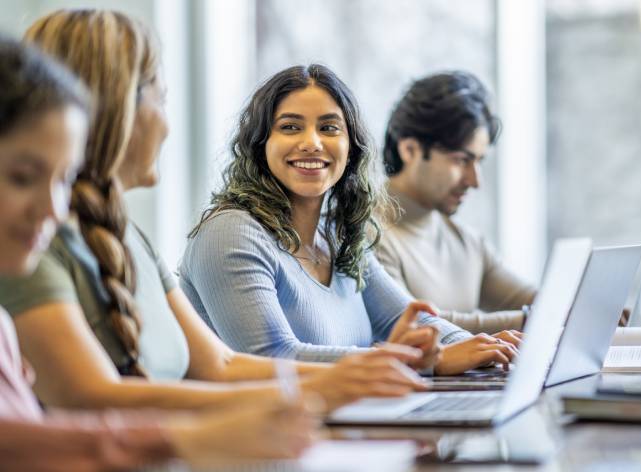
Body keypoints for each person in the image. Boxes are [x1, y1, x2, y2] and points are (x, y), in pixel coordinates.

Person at [0, 9, 428, 413]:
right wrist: (321, 387)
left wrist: (357, 373)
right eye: (162, 100)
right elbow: (95, 400)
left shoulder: (125, 235)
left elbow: (220, 366)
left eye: (329, 128)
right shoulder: (32, 238)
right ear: (115, 111)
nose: (168, 126)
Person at [0, 35, 315, 470]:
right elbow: (63, 416)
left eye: (63, 180)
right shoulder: (227, 231)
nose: (53, 209)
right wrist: (185, 438)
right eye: (20, 177)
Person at [180, 64, 519, 375]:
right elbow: (272, 356)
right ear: (260, 144)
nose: (311, 142)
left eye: (329, 128)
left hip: (339, 429)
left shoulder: (339, 236)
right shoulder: (230, 233)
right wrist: (415, 360)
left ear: (350, 147)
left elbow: (406, 318)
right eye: (290, 127)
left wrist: (483, 346)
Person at [378, 71, 536, 335]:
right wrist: (538, 320)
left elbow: (538, 301)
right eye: (462, 160)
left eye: (479, 161)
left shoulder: (467, 242)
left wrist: (582, 308)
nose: (475, 181)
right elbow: (412, 324)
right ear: (410, 150)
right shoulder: (367, 236)